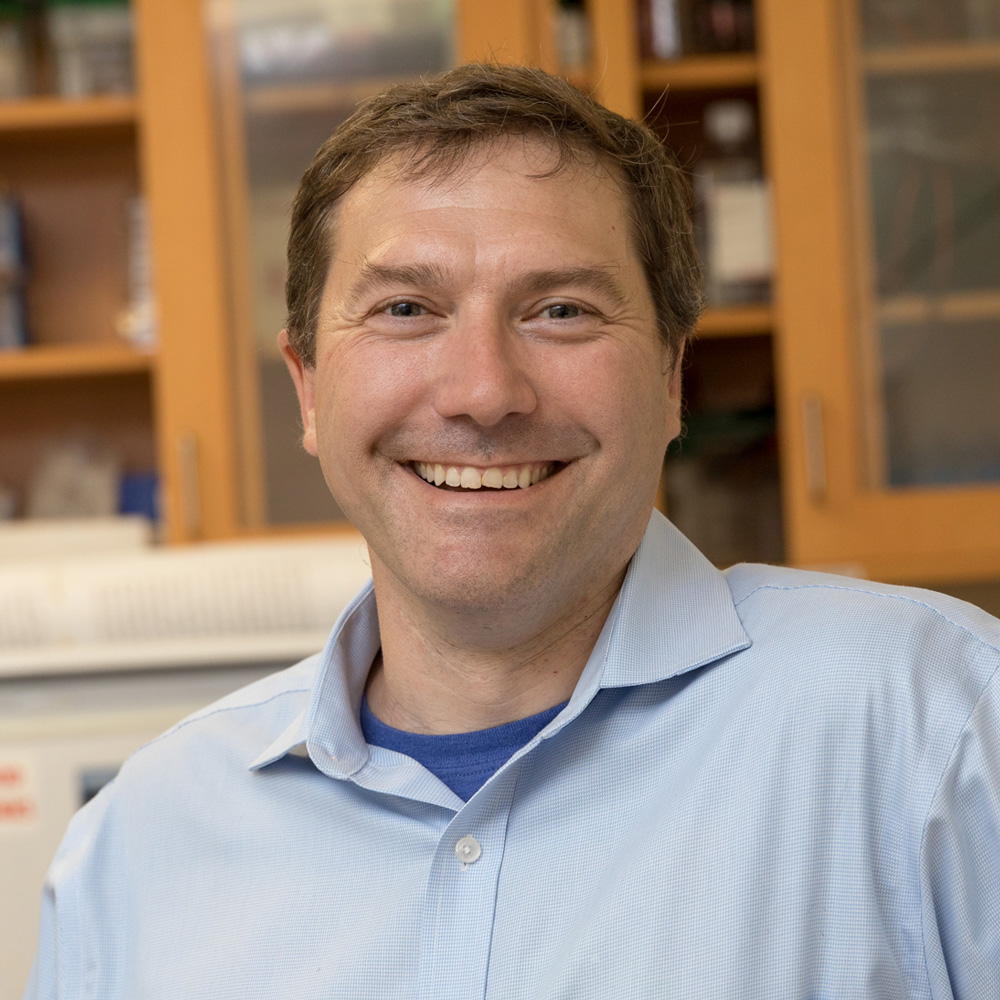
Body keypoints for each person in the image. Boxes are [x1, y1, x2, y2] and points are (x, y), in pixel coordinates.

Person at [26, 63, 1000, 999]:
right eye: (406, 308)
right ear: (310, 385)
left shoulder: (934, 724)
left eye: (560, 309)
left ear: (668, 377)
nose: (484, 392)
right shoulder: (134, 849)